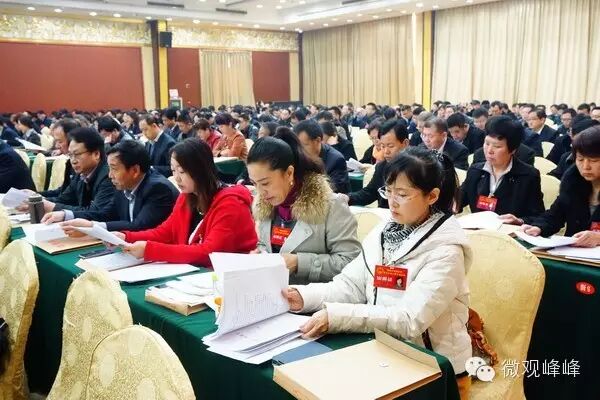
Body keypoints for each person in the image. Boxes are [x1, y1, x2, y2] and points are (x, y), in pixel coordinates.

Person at [284, 147, 472, 398]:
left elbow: (409, 320)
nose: (392, 201)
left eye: (402, 194)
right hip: (384, 349)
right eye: (388, 191)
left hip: (433, 366)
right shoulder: (385, 231)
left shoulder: (447, 251)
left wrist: (337, 316)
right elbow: (351, 286)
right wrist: (302, 296)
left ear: (432, 196)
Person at [116, 138, 257, 266]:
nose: (176, 178)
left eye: (182, 171)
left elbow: (209, 252)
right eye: (173, 170)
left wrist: (150, 250)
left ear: (200, 170)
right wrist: (126, 237)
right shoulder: (187, 197)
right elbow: (166, 232)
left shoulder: (231, 203)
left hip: (231, 274)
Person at [247, 130, 360, 284]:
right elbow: (264, 245)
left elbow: (351, 261)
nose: (260, 192)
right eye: (254, 183)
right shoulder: (266, 205)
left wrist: (300, 263)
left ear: (289, 173)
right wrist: (260, 254)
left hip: (315, 296)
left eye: (265, 183)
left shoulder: (331, 205)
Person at [42, 140, 179, 232]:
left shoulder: (158, 189)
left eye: (114, 169)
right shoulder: (123, 185)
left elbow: (139, 226)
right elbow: (105, 214)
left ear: (135, 170)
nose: (110, 175)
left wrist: (93, 226)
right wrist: (66, 215)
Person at [523, 126, 600, 245]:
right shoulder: (573, 184)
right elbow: (554, 216)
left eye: (593, 160)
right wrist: (538, 227)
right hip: (573, 251)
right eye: (580, 159)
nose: (586, 167)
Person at [460, 116, 544, 224]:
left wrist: (520, 221)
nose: (489, 151)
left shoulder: (528, 176)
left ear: (513, 149)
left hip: (509, 232)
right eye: (487, 143)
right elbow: (459, 199)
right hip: (479, 230)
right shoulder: (475, 171)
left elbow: (538, 216)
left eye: (497, 146)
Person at [27, 127, 115, 215]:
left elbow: (95, 212)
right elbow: (65, 199)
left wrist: (53, 207)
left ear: (96, 154)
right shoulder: (81, 173)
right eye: (70, 155)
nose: (73, 161)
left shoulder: (109, 176)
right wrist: (36, 200)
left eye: (77, 154)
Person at [345, 119, 409, 208]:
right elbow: (369, 192)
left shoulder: (417, 167)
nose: (386, 151)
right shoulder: (382, 167)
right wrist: (348, 198)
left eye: (390, 146)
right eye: (382, 146)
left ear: (405, 143)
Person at [294, 120, 350, 193]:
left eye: (304, 145)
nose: (300, 150)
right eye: (298, 145)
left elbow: (333, 191)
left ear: (318, 141)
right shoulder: (299, 156)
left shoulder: (336, 160)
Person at [40, 118, 79, 198]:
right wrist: (35, 195)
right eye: (56, 141)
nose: (57, 146)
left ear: (72, 140)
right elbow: (63, 191)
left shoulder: (82, 166)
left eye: (60, 141)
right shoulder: (70, 163)